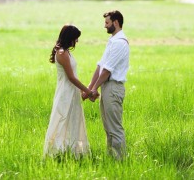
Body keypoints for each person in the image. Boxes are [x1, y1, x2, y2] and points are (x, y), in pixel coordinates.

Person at [84, 10, 130, 159]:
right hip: (106, 87)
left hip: (113, 87)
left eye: (107, 23)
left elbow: (107, 71)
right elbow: (100, 66)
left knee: (115, 128)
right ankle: (111, 159)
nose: (105, 26)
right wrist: (91, 87)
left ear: (115, 22)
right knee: (108, 128)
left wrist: (94, 89)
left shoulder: (120, 43)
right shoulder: (112, 41)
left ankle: (120, 161)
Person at [44, 24, 92, 158]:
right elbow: (71, 77)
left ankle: (72, 151)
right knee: (62, 120)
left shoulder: (66, 52)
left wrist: (82, 91)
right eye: (76, 38)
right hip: (66, 92)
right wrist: (88, 91)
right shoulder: (62, 53)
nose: (77, 41)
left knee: (73, 120)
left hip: (72, 91)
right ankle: (57, 152)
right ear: (69, 37)